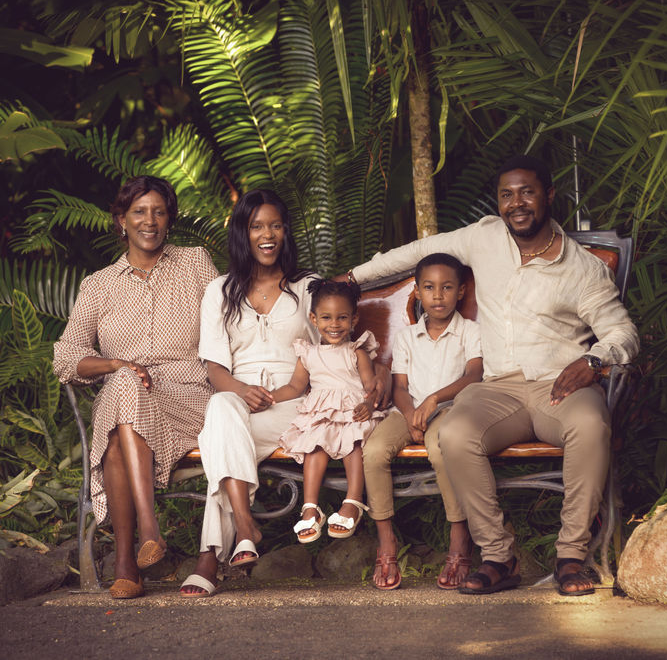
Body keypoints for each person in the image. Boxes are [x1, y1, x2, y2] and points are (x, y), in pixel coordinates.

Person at [343, 155, 639, 596]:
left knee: (591, 425)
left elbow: (623, 332)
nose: (516, 203)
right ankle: (499, 556)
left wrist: (594, 360)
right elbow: (417, 252)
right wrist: (351, 278)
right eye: (507, 195)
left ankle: (571, 556)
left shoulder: (582, 268)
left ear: (548, 196)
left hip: (560, 386)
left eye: (527, 192)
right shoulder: (484, 238)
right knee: (455, 433)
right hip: (498, 387)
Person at [54, 175, 218, 600]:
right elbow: (66, 356)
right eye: (139, 212)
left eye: (159, 212)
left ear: (170, 220)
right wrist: (114, 363)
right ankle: (148, 532)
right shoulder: (98, 285)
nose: (150, 221)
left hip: (186, 395)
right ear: (120, 221)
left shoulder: (195, 263)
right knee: (125, 383)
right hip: (126, 394)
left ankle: (129, 557)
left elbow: (226, 324)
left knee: (114, 437)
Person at [177, 190, 320, 598]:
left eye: (275, 224)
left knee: (220, 438)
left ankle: (210, 557)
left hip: (294, 403)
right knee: (223, 410)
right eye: (257, 226)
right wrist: (242, 390)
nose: (267, 234)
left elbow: (325, 348)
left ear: (286, 231)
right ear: (243, 232)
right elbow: (215, 368)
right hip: (237, 398)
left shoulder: (307, 286)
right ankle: (244, 524)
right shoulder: (219, 291)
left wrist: (284, 389)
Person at [362, 253, 483, 591]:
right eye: (429, 288)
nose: (438, 296)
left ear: (460, 292)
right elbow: (399, 387)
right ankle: (386, 541)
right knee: (373, 452)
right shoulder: (406, 337)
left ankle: (459, 538)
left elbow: (475, 375)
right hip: (408, 410)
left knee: (441, 448)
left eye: (447, 288)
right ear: (417, 291)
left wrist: (432, 401)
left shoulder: (470, 332)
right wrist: (413, 413)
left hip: (450, 411)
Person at [273, 279, 384, 544]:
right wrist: (267, 397)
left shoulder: (356, 352)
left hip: (353, 412)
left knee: (353, 443)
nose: (334, 324)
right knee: (314, 445)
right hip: (322, 414)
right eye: (326, 317)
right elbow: (295, 386)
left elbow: (372, 385)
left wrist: (369, 404)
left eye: (342, 317)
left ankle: (353, 501)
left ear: (353, 318)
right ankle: (310, 508)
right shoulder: (308, 353)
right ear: (313, 318)